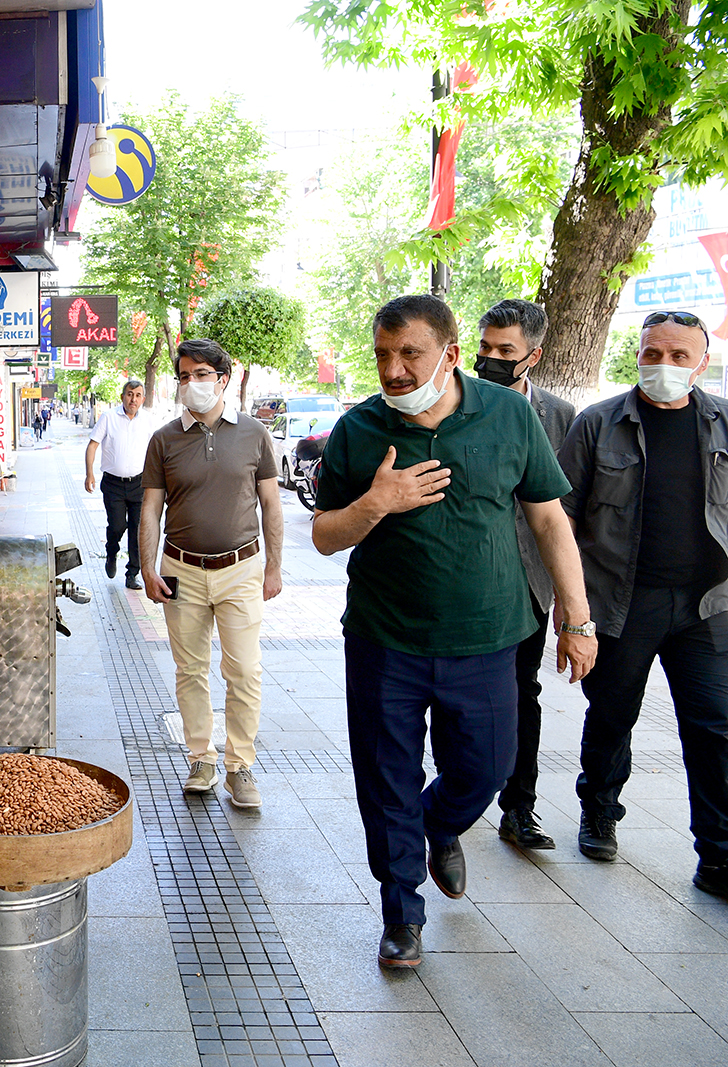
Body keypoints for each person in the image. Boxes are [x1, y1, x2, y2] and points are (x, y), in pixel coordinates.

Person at [312, 294, 596, 969]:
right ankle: (402, 914)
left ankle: (437, 823)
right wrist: (376, 503)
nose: (394, 369)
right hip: (384, 640)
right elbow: (323, 535)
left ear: (451, 353)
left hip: (489, 636)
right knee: (386, 779)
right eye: (383, 354)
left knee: (488, 768)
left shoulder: (509, 415)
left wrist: (577, 617)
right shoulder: (359, 427)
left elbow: (549, 519)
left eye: (410, 353)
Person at [557, 310, 728, 896]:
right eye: (653, 353)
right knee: (612, 712)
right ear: (638, 355)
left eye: (679, 356)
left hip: (708, 606)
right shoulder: (598, 423)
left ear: (701, 363)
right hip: (622, 602)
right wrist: (572, 610)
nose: (664, 365)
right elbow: (560, 518)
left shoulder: (724, 423)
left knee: (716, 728)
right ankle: (599, 811)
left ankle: (719, 856)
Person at [140, 339, 284, 807]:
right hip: (181, 568)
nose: (191, 383)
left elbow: (271, 504)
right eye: (184, 376)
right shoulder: (164, 439)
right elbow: (151, 509)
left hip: (240, 568)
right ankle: (201, 758)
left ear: (223, 378)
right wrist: (146, 566)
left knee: (243, 670)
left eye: (201, 374)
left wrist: (274, 567)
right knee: (190, 670)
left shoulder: (254, 434)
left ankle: (240, 766)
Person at [474, 299, 576, 852]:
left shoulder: (560, 417)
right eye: (484, 347)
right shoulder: (458, 403)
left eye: (504, 350)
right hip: (470, 579)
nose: (489, 359)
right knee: (459, 695)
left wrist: (570, 599)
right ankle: (457, 797)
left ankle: (519, 808)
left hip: (530, 586)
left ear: (532, 357)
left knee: (522, 692)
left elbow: (565, 513)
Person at [85, 380, 156, 589]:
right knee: (117, 526)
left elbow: (156, 451)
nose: (133, 399)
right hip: (113, 484)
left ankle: (132, 573)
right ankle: (111, 552)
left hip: (140, 484)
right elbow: (92, 445)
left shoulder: (149, 421)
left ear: (143, 399)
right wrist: (89, 473)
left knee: (137, 530)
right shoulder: (109, 417)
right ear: (122, 396)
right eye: (129, 394)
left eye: (138, 395)